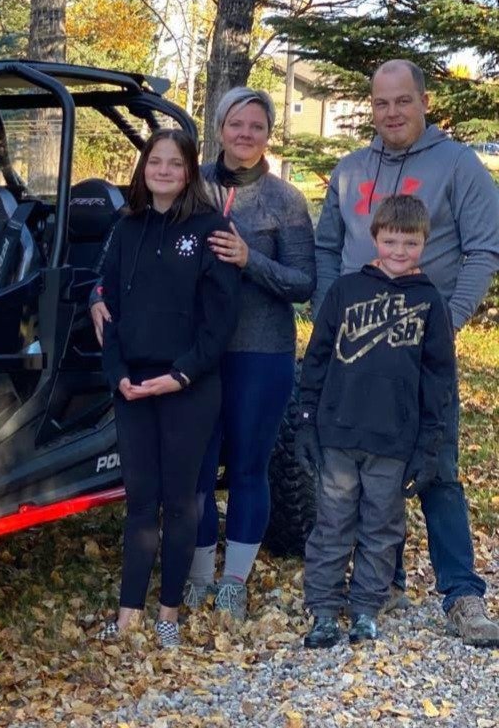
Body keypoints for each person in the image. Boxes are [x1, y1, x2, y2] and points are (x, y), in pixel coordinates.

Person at [312, 58, 499, 647]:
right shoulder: (351, 170)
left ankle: (461, 593)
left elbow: (485, 249)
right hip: (353, 355)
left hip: (419, 355)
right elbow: (326, 246)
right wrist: (327, 312)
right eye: (380, 103)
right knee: (359, 476)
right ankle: (380, 584)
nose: (391, 113)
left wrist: (445, 321)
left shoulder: (459, 166)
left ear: (424, 101)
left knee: (435, 466)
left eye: (402, 101)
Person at [95, 129, 240, 649]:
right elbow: (106, 306)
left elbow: (220, 320)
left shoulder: (209, 230)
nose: (162, 170)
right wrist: (118, 376)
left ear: (189, 172)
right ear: (143, 170)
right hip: (132, 385)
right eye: (154, 161)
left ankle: (168, 614)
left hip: (187, 385)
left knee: (180, 503)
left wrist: (181, 374)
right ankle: (129, 610)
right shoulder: (126, 226)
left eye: (173, 164)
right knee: (139, 503)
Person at [297, 194, 456, 648]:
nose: (400, 251)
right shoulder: (347, 291)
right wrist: (307, 421)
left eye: (410, 242)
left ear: (425, 243)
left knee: (382, 528)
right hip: (338, 433)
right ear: (375, 238)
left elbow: (438, 379)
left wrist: (428, 445)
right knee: (332, 525)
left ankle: (367, 608)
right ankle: (324, 611)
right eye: (391, 240)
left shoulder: (430, 303)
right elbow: (318, 358)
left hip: (393, 440)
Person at [184, 86, 316, 620]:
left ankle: (234, 580)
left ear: (268, 134)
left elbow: (303, 281)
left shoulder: (286, 200)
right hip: (197, 353)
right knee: (194, 468)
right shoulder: (193, 186)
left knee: (247, 467)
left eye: (256, 127)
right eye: (236, 124)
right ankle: (195, 575)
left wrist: (248, 259)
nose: (245, 135)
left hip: (261, 352)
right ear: (220, 127)